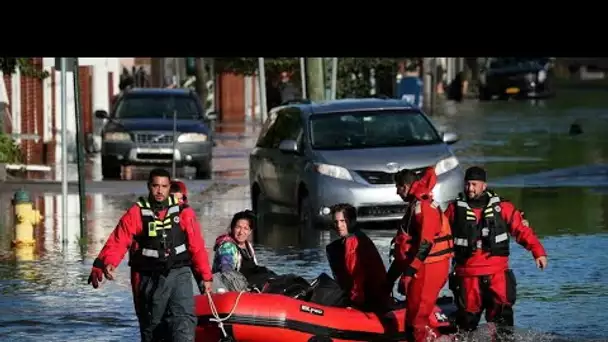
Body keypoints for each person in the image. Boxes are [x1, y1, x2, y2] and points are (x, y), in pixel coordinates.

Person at [87, 168, 213, 342]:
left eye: (164, 186)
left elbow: (197, 246)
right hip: (150, 278)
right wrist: (107, 263)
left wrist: (205, 277)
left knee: (184, 321)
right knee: (153, 327)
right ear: (148, 186)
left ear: (170, 187)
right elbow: (119, 239)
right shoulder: (136, 213)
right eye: (155, 186)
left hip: (179, 274)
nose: (159, 191)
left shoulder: (184, 213)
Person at [445, 166, 548, 339]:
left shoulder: (503, 207)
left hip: (497, 274)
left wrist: (538, 252)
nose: (470, 188)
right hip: (467, 275)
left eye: (474, 184)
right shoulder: (454, 210)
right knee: (466, 324)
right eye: (467, 184)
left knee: (503, 321)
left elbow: (522, 231)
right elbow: (438, 236)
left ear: (484, 186)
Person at [386, 167, 454, 342]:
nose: (396, 192)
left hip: (429, 267)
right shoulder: (417, 204)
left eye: (398, 187)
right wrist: (394, 276)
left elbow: (426, 243)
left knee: (418, 320)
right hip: (423, 266)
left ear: (407, 186)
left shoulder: (423, 206)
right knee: (413, 317)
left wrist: (410, 271)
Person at [325, 203, 391, 313]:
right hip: (372, 295)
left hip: (369, 299)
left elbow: (357, 275)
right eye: (336, 222)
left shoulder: (353, 242)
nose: (338, 226)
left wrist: (355, 303)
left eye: (343, 221)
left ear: (352, 221)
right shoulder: (356, 238)